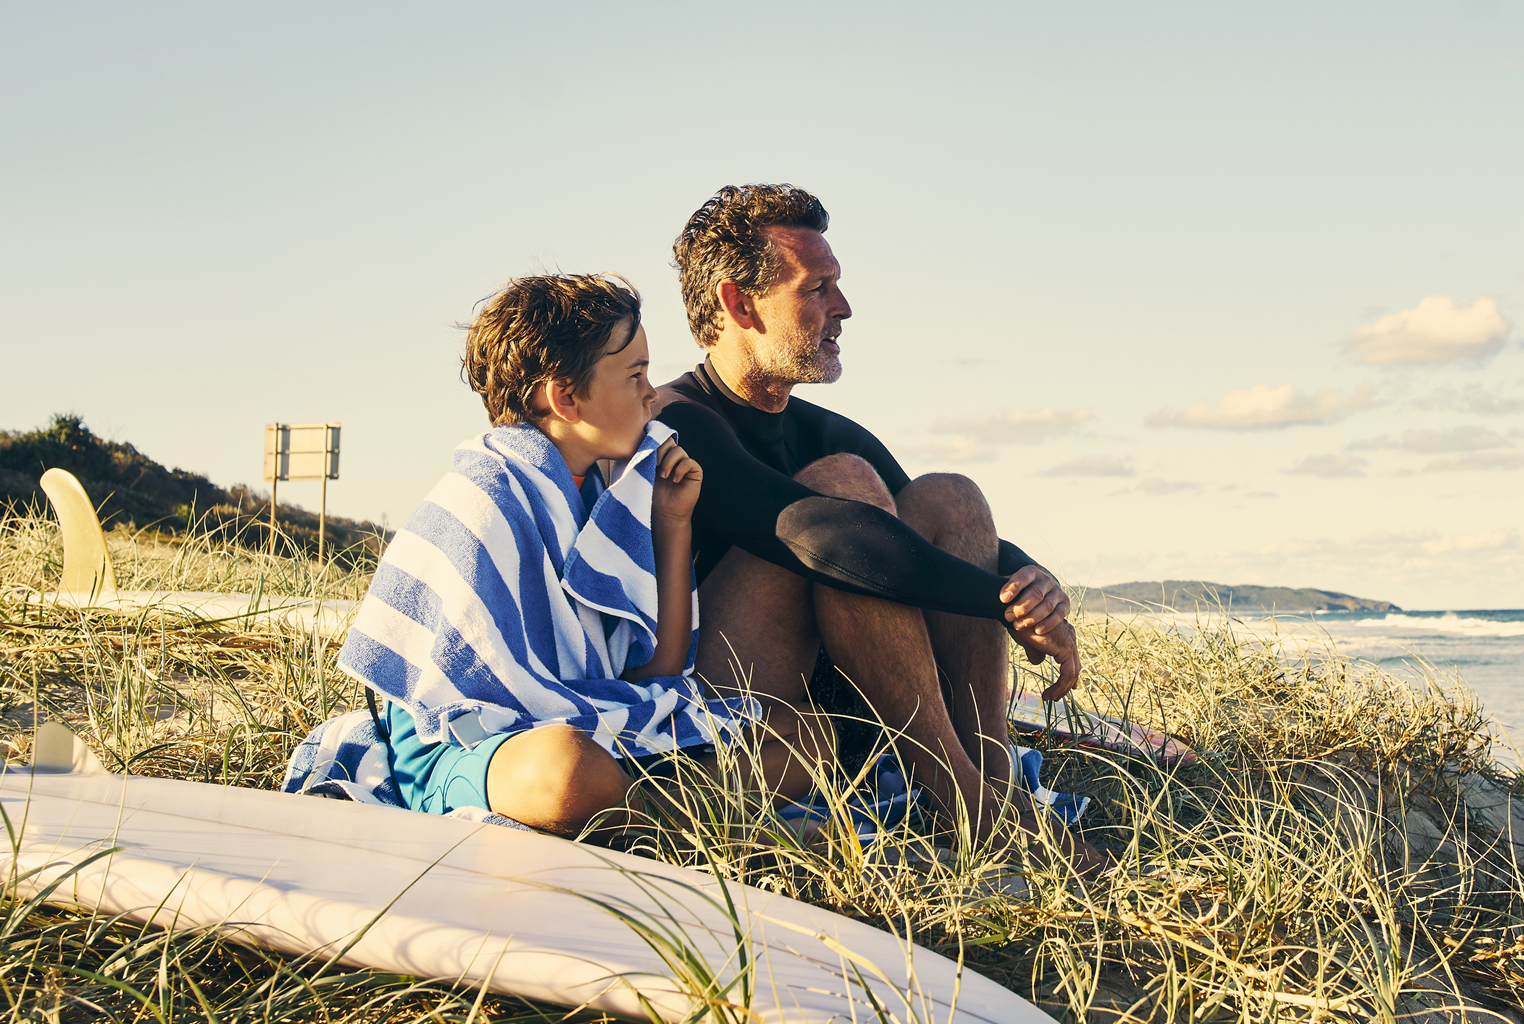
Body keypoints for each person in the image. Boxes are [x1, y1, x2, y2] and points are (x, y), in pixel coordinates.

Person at [654, 184, 1102, 869]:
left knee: (951, 497)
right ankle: (965, 804)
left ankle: (995, 784)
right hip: (733, 712)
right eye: (818, 288)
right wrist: (997, 600)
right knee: (843, 496)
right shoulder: (678, 420)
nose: (844, 309)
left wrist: (1031, 585)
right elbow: (825, 535)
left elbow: (941, 542)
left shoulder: (825, 431)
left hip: (839, 702)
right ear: (739, 303)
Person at [331, 273, 834, 839]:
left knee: (803, 735)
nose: (652, 394)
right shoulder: (478, 498)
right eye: (636, 375)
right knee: (567, 771)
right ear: (565, 397)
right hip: (469, 753)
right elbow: (465, 710)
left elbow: (660, 672)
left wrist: (672, 523)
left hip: (595, 726)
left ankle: (651, 817)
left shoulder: (607, 493)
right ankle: (695, 822)